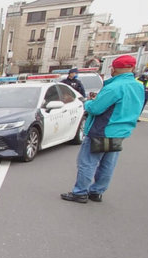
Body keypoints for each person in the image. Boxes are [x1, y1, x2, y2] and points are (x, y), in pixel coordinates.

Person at [60, 55, 143, 203]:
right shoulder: (138, 86)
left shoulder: (114, 87)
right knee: (108, 163)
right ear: (133, 68)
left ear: (114, 68)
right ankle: (97, 191)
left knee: (87, 162)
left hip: (102, 130)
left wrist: (88, 103)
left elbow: (97, 108)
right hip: (121, 131)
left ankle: (80, 192)